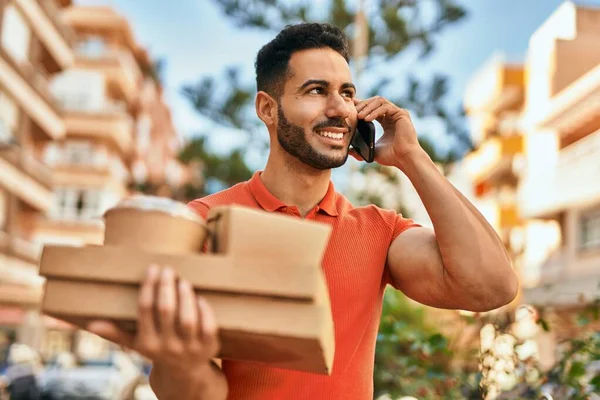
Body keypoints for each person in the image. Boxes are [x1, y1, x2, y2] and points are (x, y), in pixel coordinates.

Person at [88, 23, 519, 399]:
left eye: (347, 93)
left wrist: (412, 158)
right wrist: (177, 360)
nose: (339, 108)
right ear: (267, 109)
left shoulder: (380, 231)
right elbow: (194, 390)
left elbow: (492, 288)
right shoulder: (203, 223)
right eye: (317, 91)